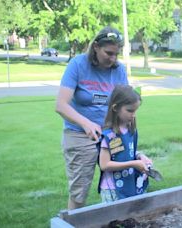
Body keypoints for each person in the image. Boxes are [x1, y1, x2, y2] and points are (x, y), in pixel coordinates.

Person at [55, 26, 129, 209]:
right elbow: (61, 105)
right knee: (79, 192)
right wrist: (86, 123)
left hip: (111, 134)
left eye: (116, 54)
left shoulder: (119, 70)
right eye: (108, 53)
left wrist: (127, 133)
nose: (113, 59)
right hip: (80, 135)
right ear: (96, 46)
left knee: (121, 184)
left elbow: (124, 104)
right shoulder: (78, 64)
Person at [98, 85, 152, 202]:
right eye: (129, 110)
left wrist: (140, 156)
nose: (133, 115)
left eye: (135, 111)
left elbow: (128, 150)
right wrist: (133, 163)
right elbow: (104, 164)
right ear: (115, 108)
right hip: (112, 188)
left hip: (129, 183)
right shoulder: (109, 135)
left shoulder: (130, 129)